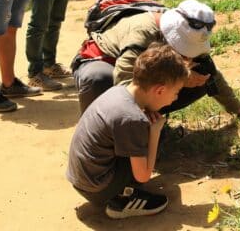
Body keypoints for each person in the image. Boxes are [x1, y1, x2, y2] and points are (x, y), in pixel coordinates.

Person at [72, 0, 240, 121]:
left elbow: (214, 76)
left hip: (142, 74)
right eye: (183, 47)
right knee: (98, 78)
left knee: (203, 76)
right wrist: (179, 78)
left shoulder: (194, 31)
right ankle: (103, 131)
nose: (187, 55)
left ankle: (149, 122)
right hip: (104, 61)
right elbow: (123, 81)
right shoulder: (142, 33)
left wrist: (239, 110)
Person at [67, 43, 189, 219]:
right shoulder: (132, 118)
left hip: (81, 178)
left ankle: (120, 192)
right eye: (176, 92)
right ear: (160, 90)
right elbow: (144, 176)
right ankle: (122, 201)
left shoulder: (119, 90)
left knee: (139, 140)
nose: (175, 98)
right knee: (151, 138)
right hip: (98, 188)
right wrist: (154, 133)